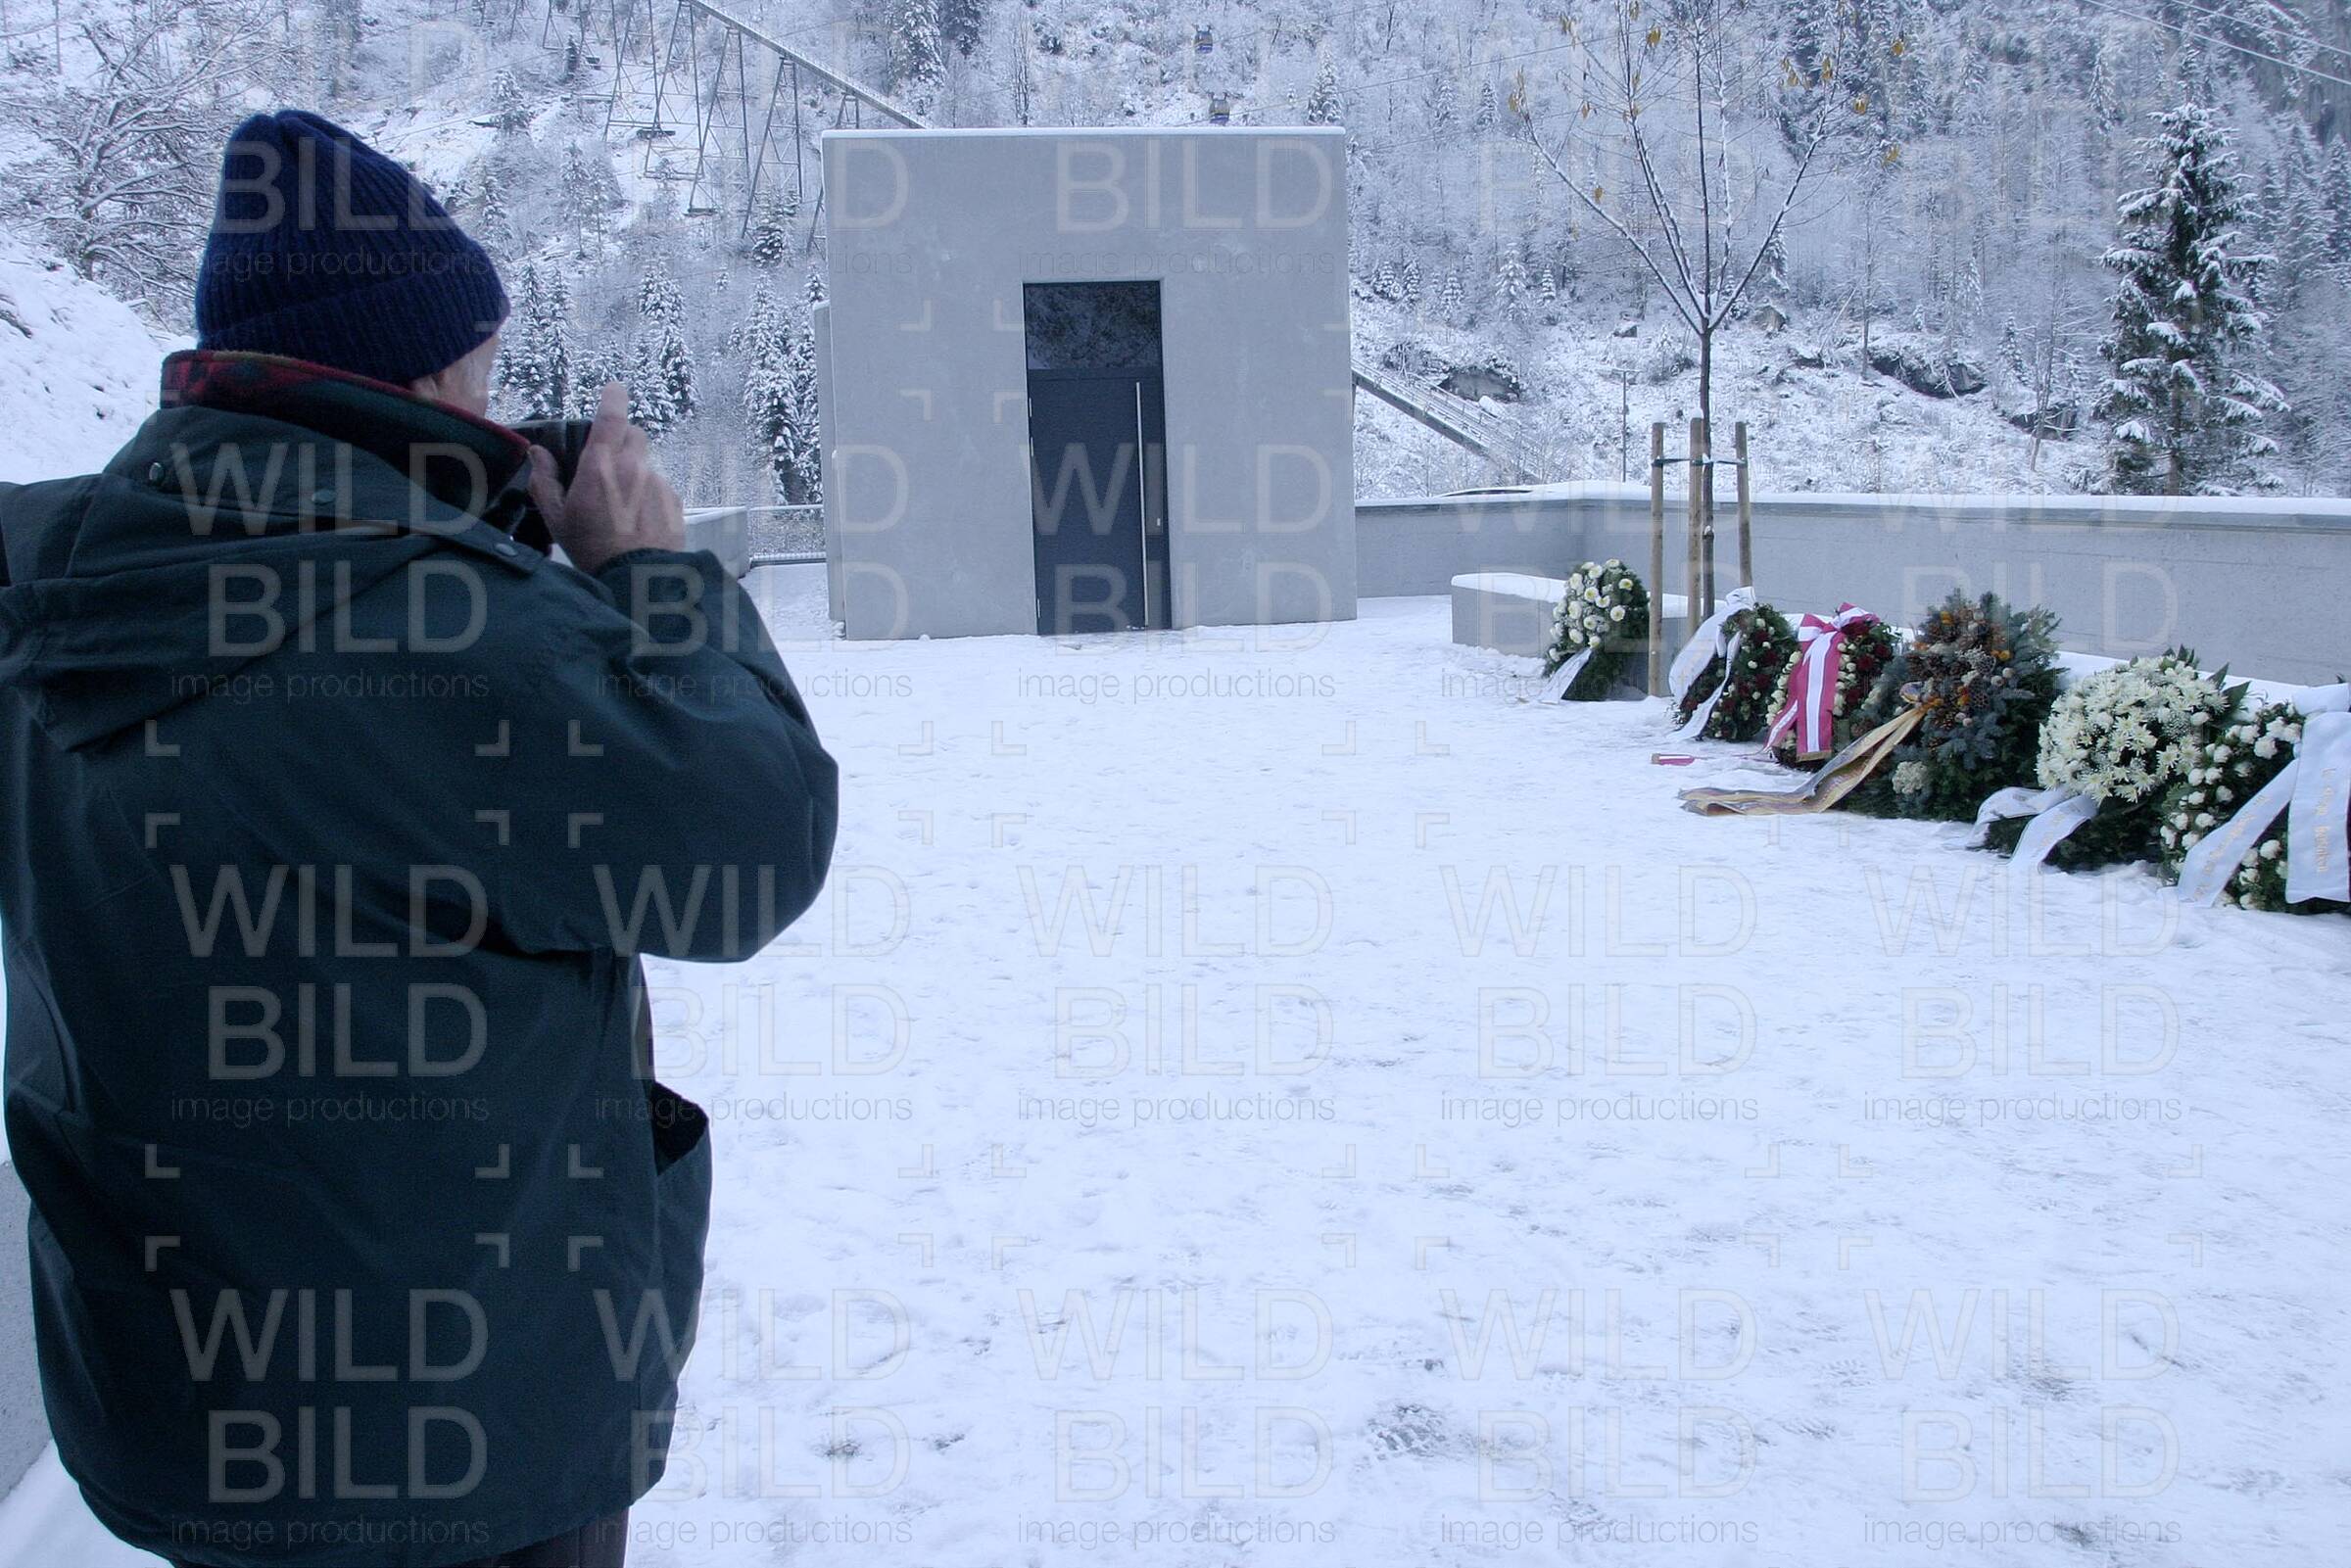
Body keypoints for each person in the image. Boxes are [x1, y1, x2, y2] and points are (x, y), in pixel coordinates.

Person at [0, 110, 840, 1567]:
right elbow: (753, 838)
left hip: (172, 1401)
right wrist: (651, 578)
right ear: (426, 372)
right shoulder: (452, 634)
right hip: (466, 1443)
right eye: (484, 365)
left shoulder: (52, 588)